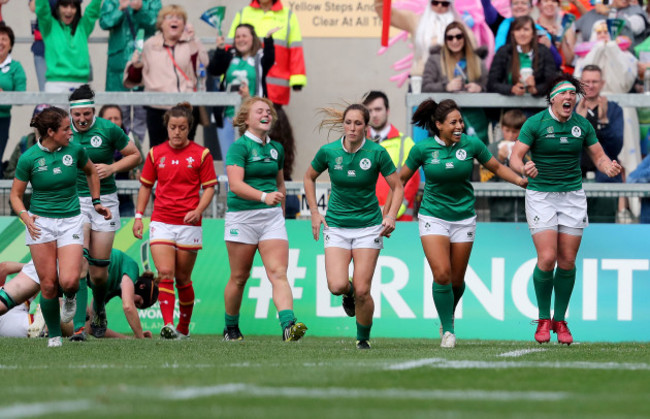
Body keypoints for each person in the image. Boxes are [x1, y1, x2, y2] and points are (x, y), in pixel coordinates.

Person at [396, 99, 526, 348]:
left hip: (464, 217)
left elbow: (497, 167)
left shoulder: (472, 144)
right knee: (442, 274)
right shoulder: (422, 149)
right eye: (453, 122)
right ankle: (449, 330)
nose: (459, 126)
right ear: (438, 125)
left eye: (460, 121)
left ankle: (447, 316)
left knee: (456, 280)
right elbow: (400, 180)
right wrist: (389, 210)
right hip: (432, 216)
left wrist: (521, 182)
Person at [509, 74, 622, 345]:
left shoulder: (582, 125)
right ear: (553, 98)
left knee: (567, 261)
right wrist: (524, 167)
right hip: (541, 195)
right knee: (547, 258)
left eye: (573, 93)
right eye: (564, 93)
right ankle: (543, 318)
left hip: (572, 196)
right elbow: (514, 156)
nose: (569, 97)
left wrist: (607, 166)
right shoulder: (535, 123)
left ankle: (560, 321)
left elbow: (598, 155)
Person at [304, 103, 404, 349]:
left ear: (366, 127)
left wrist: (390, 216)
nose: (352, 127)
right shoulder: (328, 152)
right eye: (348, 122)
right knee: (338, 286)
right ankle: (347, 295)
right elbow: (308, 177)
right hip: (336, 226)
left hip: (369, 227)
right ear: (343, 124)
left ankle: (362, 338)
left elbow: (398, 186)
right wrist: (315, 212)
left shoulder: (376, 153)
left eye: (358, 123)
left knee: (362, 289)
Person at [9, 106, 111, 348]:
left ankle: (71, 298)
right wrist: (25, 216)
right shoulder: (29, 158)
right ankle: (54, 335)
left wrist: (96, 202)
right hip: (40, 223)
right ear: (51, 132)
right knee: (47, 284)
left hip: (71, 220)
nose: (71, 132)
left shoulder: (75, 150)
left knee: (70, 281)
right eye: (66, 129)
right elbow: (15, 195)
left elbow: (91, 172)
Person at [223, 96, 307, 342]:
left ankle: (288, 326)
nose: (266, 114)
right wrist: (263, 197)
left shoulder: (276, 148)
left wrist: (278, 211)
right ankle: (231, 328)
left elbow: (280, 183)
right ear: (246, 119)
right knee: (239, 277)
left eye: (268, 111)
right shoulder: (239, 147)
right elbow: (236, 185)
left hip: (271, 218)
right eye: (260, 110)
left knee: (278, 273)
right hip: (243, 218)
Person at [133, 102, 217, 340]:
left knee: (183, 279)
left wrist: (199, 210)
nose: (177, 132)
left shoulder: (201, 154)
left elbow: (210, 188)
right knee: (166, 273)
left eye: (182, 127)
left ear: (189, 128)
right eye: (173, 127)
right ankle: (168, 325)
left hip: (188, 224)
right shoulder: (155, 153)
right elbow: (146, 187)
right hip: (161, 221)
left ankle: (183, 327)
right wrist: (139, 217)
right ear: (167, 127)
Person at [68, 85, 141, 339]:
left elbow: (135, 155)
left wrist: (112, 168)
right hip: (75, 202)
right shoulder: (64, 132)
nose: (82, 119)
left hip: (106, 201)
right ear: (71, 113)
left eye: (86, 114)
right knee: (80, 266)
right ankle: (79, 328)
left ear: (93, 111)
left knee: (99, 275)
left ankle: (98, 307)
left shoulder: (108, 129)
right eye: (77, 115)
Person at [0, 249, 158, 340]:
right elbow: (128, 306)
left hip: (60, 270)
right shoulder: (131, 269)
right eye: (139, 302)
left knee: (87, 316)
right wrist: (140, 338)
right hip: (68, 267)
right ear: (141, 286)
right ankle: (51, 320)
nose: (136, 305)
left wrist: (127, 339)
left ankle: (53, 317)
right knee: (70, 313)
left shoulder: (111, 286)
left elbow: (94, 326)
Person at [123, 4, 209, 147]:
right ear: (161, 24)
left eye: (179, 18)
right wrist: (136, 64)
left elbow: (200, 68)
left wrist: (193, 40)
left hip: (186, 107)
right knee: (159, 152)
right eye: (169, 17)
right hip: (157, 108)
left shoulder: (191, 43)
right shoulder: (150, 45)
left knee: (186, 151)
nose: (174, 20)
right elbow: (134, 79)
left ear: (184, 24)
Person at [210, 23, 275, 162]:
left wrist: (268, 39)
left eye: (244, 36)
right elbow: (214, 70)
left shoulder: (259, 58)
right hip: (227, 117)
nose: (240, 39)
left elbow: (270, 58)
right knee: (230, 162)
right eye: (237, 36)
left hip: (253, 119)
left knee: (252, 160)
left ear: (253, 38)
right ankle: (230, 185)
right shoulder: (230, 56)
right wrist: (220, 49)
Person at [100, 0, 161, 145]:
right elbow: (104, 22)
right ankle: (121, 154)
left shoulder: (152, 2)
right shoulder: (111, 1)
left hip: (145, 63)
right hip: (118, 65)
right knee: (118, 114)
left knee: (142, 114)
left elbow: (156, 23)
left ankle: (136, 154)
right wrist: (120, 9)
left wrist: (141, 9)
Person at [227, 0, 306, 107]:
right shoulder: (243, 13)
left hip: (276, 85)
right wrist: (225, 70)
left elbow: (295, 49)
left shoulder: (288, 15)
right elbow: (230, 45)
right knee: (249, 117)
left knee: (268, 120)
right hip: (248, 83)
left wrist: (297, 79)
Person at [422, 21, 490, 142]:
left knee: (475, 153)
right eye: (450, 37)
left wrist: (479, 88)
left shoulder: (476, 60)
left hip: (474, 117)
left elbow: (489, 85)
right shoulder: (435, 59)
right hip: (444, 118)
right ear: (445, 40)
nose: (455, 41)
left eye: (459, 36)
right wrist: (446, 87)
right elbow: (426, 86)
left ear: (464, 38)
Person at [373, 0, 468, 83]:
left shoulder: (459, 25)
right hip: (421, 79)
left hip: (451, 82)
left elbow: (472, 54)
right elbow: (386, 13)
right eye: (435, 2)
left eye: (444, 3)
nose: (439, 6)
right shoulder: (416, 21)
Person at [576, 64, 625, 223]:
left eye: (595, 81)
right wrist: (578, 122)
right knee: (572, 233)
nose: (590, 85)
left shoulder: (613, 109)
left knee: (604, 231)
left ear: (602, 83)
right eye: (587, 81)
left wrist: (603, 123)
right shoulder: (569, 109)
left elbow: (616, 146)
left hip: (605, 179)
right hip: (575, 182)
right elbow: (563, 145)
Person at [362, 90, 420, 221]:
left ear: (387, 110)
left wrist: (390, 212)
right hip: (366, 220)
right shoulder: (358, 144)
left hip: (398, 222)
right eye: (369, 111)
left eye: (378, 109)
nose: (374, 114)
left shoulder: (406, 143)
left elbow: (412, 182)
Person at [35, 0, 102, 92]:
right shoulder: (49, 26)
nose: (69, 11)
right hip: (56, 85)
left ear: (77, 9)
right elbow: (42, 9)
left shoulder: (83, 26)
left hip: (81, 84)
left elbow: (93, 9)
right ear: (57, 7)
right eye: (65, 6)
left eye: (73, 7)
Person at [488, 16, 559, 97]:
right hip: (508, 105)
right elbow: (492, 83)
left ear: (533, 33)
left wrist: (536, 89)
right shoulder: (503, 52)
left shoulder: (544, 51)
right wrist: (511, 89)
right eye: (518, 30)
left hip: (537, 106)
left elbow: (551, 81)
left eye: (526, 29)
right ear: (513, 33)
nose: (522, 34)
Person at [479, 109, 528, 222]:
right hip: (499, 212)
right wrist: (499, 161)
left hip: (525, 213)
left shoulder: (529, 149)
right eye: (507, 130)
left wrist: (520, 156)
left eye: (515, 131)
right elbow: (484, 179)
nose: (511, 135)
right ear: (502, 128)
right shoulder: (491, 149)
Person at [98, 104, 145, 217]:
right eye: (109, 119)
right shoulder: (94, 140)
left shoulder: (131, 138)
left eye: (116, 118)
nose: (113, 122)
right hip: (100, 199)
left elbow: (142, 164)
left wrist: (139, 173)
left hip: (125, 198)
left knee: (127, 233)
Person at [0, 23, 26, 161]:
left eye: (4, 39)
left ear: (11, 45)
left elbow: (21, 97)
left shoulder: (16, 67)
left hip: (2, 119)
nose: (0, 42)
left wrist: (3, 95)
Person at [3, 104, 49, 180]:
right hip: (25, 190)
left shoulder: (58, 145)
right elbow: (8, 172)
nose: (41, 123)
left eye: (46, 119)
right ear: (32, 121)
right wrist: (27, 173)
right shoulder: (24, 142)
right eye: (38, 118)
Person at [536, 0, 576, 73]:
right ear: (539, 5)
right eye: (546, 1)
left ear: (558, 5)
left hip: (561, 74)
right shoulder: (533, 27)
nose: (550, 4)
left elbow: (569, 60)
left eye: (554, 1)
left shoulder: (566, 27)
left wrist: (561, 37)